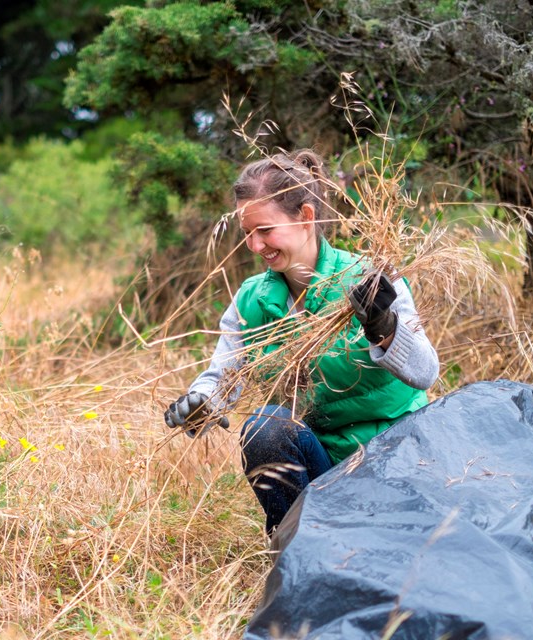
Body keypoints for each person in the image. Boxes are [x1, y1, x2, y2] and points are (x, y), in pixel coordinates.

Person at [164, 150, 439, 536]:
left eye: (265, 230)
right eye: (247, 233)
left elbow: (426, 372)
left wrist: (385, 326)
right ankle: (299, 549)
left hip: (396, 466)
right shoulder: (251, 301)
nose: (255, 245)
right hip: (325, 471)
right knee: (265, 428)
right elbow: (223, 376)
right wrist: (201, 404)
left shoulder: (368, 278)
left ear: (306, 217)